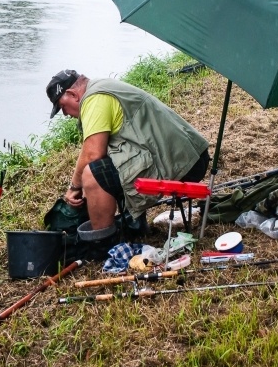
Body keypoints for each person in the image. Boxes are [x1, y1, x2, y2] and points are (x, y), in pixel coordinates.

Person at [45, 69, 209, 259]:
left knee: (93, 174)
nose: (64, 114)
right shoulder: (101, 87)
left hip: (182, 163)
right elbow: (96, 147)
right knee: (111, 163)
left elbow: (93, 153)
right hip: (186, 155)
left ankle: (102, 245)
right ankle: (133, 225)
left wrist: (74, 187)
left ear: (73, 94)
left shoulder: (94, 99)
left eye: (61, 106)